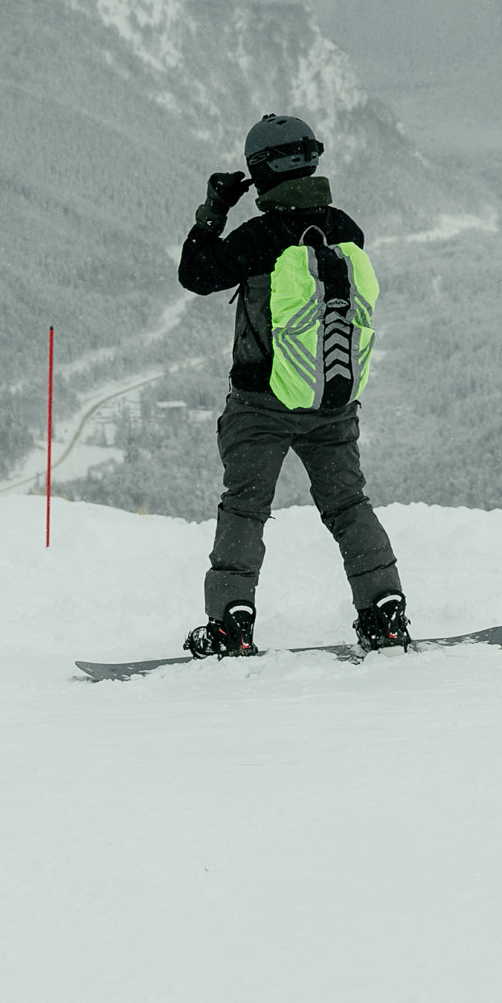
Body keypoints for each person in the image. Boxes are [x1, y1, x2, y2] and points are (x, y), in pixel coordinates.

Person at [176, 112, 409, 657]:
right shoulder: (346, 228)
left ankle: (231, 624)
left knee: (245, 509)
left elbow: (195, 274)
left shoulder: (256, 238)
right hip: (331, 400)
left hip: (261, 403)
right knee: (348, 505)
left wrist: (214, 211)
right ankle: (384, 611)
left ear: (259, 170)